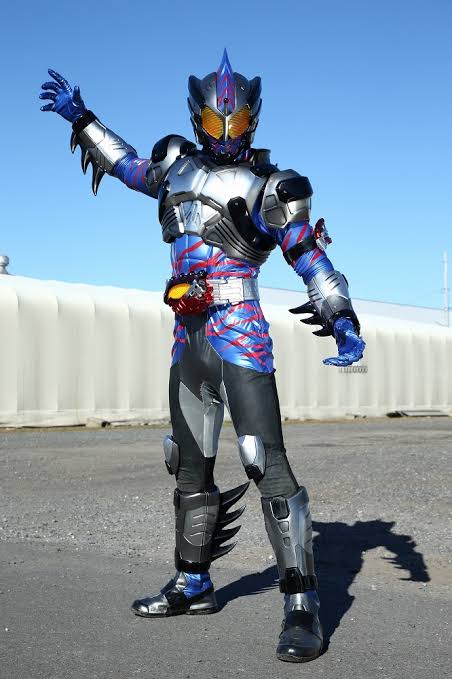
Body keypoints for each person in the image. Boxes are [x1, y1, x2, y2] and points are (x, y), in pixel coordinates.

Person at [40, 50, 365, 663]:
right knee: (188, 465)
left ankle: (302, 603)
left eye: (235, 119)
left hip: (240, 334)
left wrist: (341, 316)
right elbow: (127, 165)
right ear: (198, 117)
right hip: (187, 337)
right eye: (217, 118)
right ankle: (193, 582)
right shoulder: (175, 167)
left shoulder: (272, 186)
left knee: (265, 463)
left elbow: (306, 252)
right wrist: (82, 119)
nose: (226, 129)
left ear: (251, 118)